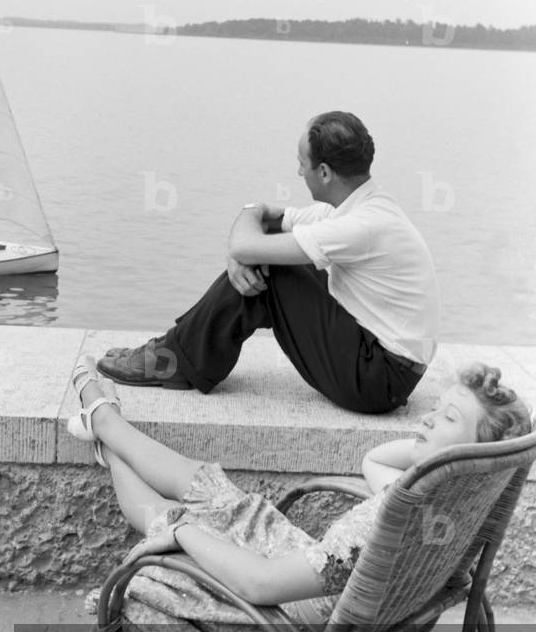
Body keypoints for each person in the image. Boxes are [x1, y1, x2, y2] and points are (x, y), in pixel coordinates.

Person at [69, 357, 531, 632]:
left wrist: (183, 531)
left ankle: (104, 430)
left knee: (165, 516)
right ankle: (106, 426)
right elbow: (374, 461)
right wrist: (431, 451)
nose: (427, 418)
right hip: (316, 588)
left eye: (447, 418)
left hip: (280, 629)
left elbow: (258, 584)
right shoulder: (446, 506)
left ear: (475, 453)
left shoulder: (388, 520)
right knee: (207, 487)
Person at [98, 111, 439, 414]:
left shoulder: (360, 225)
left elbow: (249, 239)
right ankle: (174, 354)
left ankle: (172, 359)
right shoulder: (354, 206)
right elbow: (264, 228)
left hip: (379, 379)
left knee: (274, 270)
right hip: (385, 364)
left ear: (323, 172)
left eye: (301, 164)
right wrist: (243, 251)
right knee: (273, 260)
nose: (297, 171)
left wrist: (245, 235)